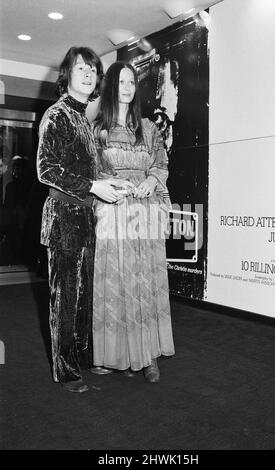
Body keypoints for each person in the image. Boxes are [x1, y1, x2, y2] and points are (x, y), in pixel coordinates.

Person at [37, 48, 133, 393]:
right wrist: (94, 186)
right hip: (63, 216)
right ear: (67, 73)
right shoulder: (57, 114)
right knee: (64, 297)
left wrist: (111, 185)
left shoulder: (82, 116)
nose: (89, 74)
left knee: (84, 296)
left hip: (86, 216)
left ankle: (82, 357)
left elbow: (89, 172)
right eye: (81, 68)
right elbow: (46, 169)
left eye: (93, 69)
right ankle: (65, 370)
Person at [92, 61, 175, 384]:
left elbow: (161, 163)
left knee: (146, 283)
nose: (127, 87)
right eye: (121, 82)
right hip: (113, 213)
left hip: (145, 212)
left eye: (131, 82)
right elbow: (93, 172)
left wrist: (152, 181)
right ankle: (117, 355)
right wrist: (118, 185)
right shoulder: (97, 128)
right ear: (111, 86)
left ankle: (149, 355)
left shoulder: (149, 128)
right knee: (118, 282)